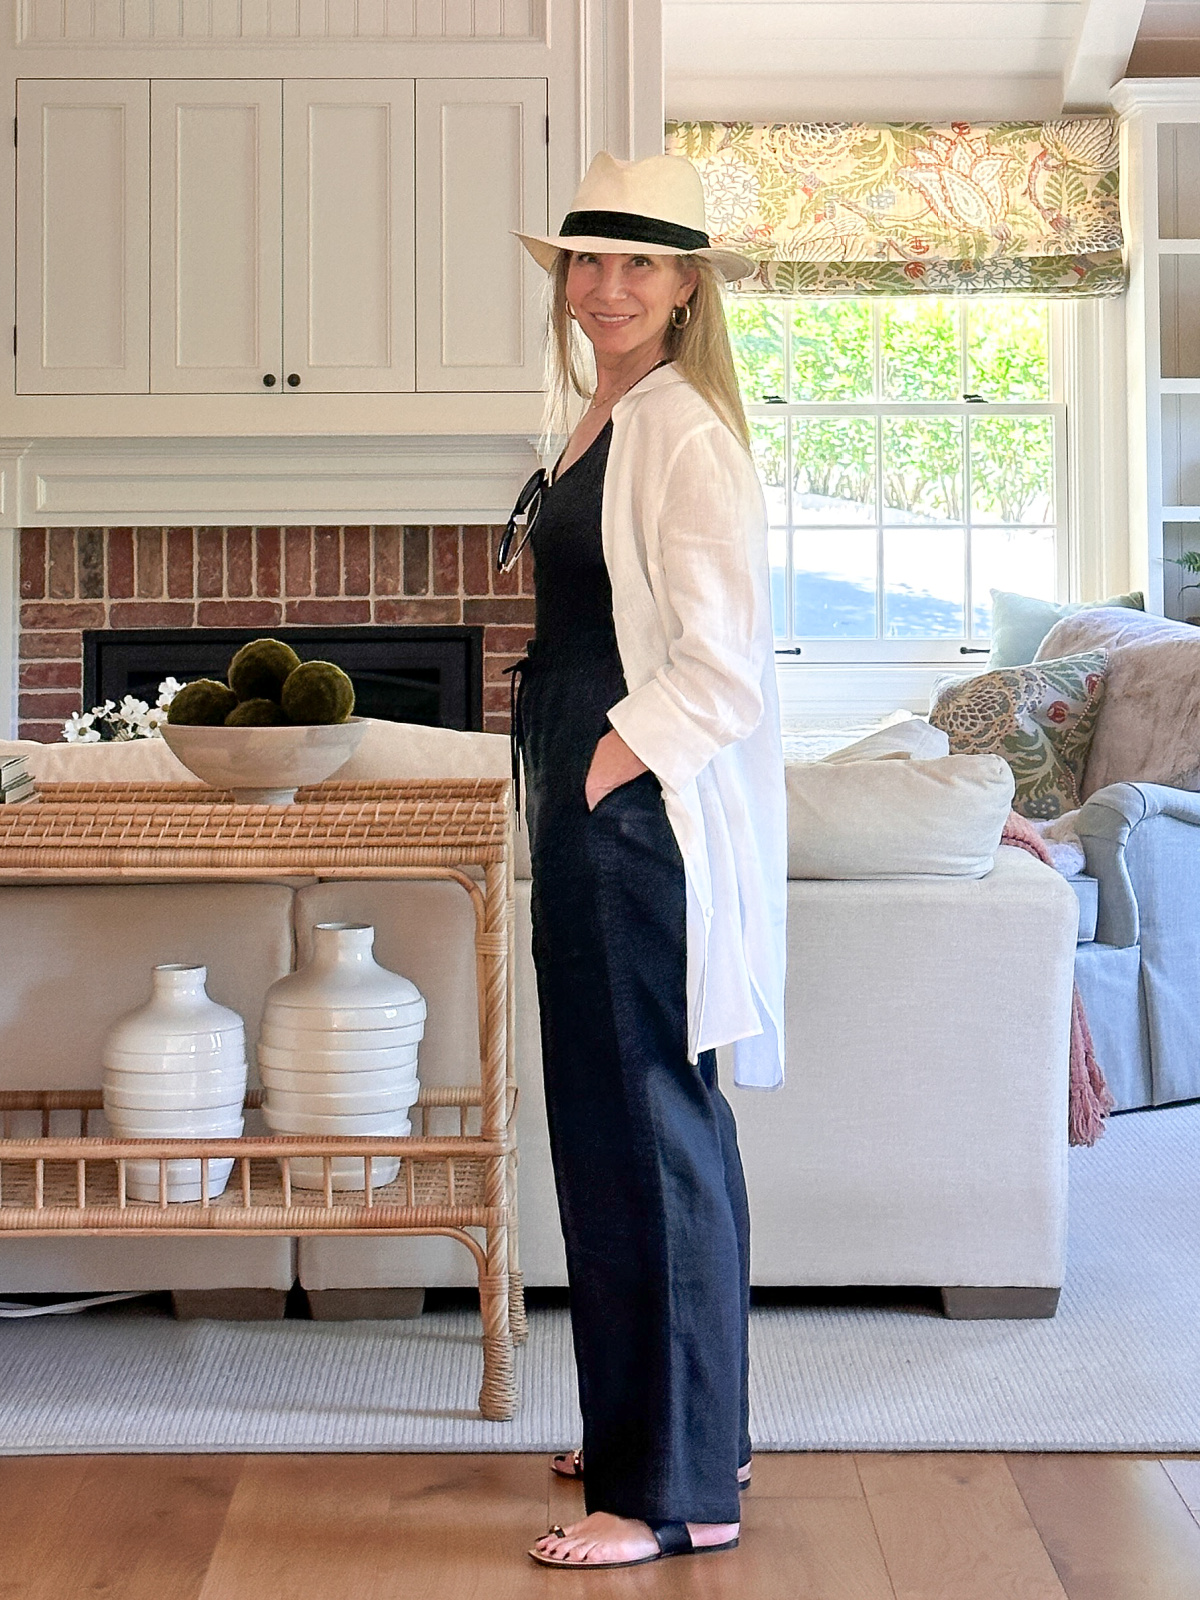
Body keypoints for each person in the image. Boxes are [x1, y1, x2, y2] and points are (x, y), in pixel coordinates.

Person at [503, 151, 787, 1571]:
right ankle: (683, 1425)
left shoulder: (682, 433)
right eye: (586, 259)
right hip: (586, 799)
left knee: (640, 1133)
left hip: (628, 815)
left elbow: (724, 666)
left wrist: (609, 768)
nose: (606, 286)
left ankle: (671, 1491)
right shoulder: (596, 415)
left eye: (639, 264)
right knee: (652, 1121)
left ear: (684, 290)